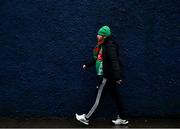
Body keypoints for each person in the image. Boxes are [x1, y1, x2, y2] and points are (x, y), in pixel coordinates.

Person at [75, 26, 128, 125]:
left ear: (104, 36)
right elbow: (98, 59)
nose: (97, 36)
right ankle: (123, 118)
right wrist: (87, 64)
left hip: (107, 77)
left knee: (98, 97)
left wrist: (118, 77)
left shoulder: (109, 46)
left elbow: (114, 61)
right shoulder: (103, 45)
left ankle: (86, 118)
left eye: (99, 34)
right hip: (109, 77)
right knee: (116, 97)